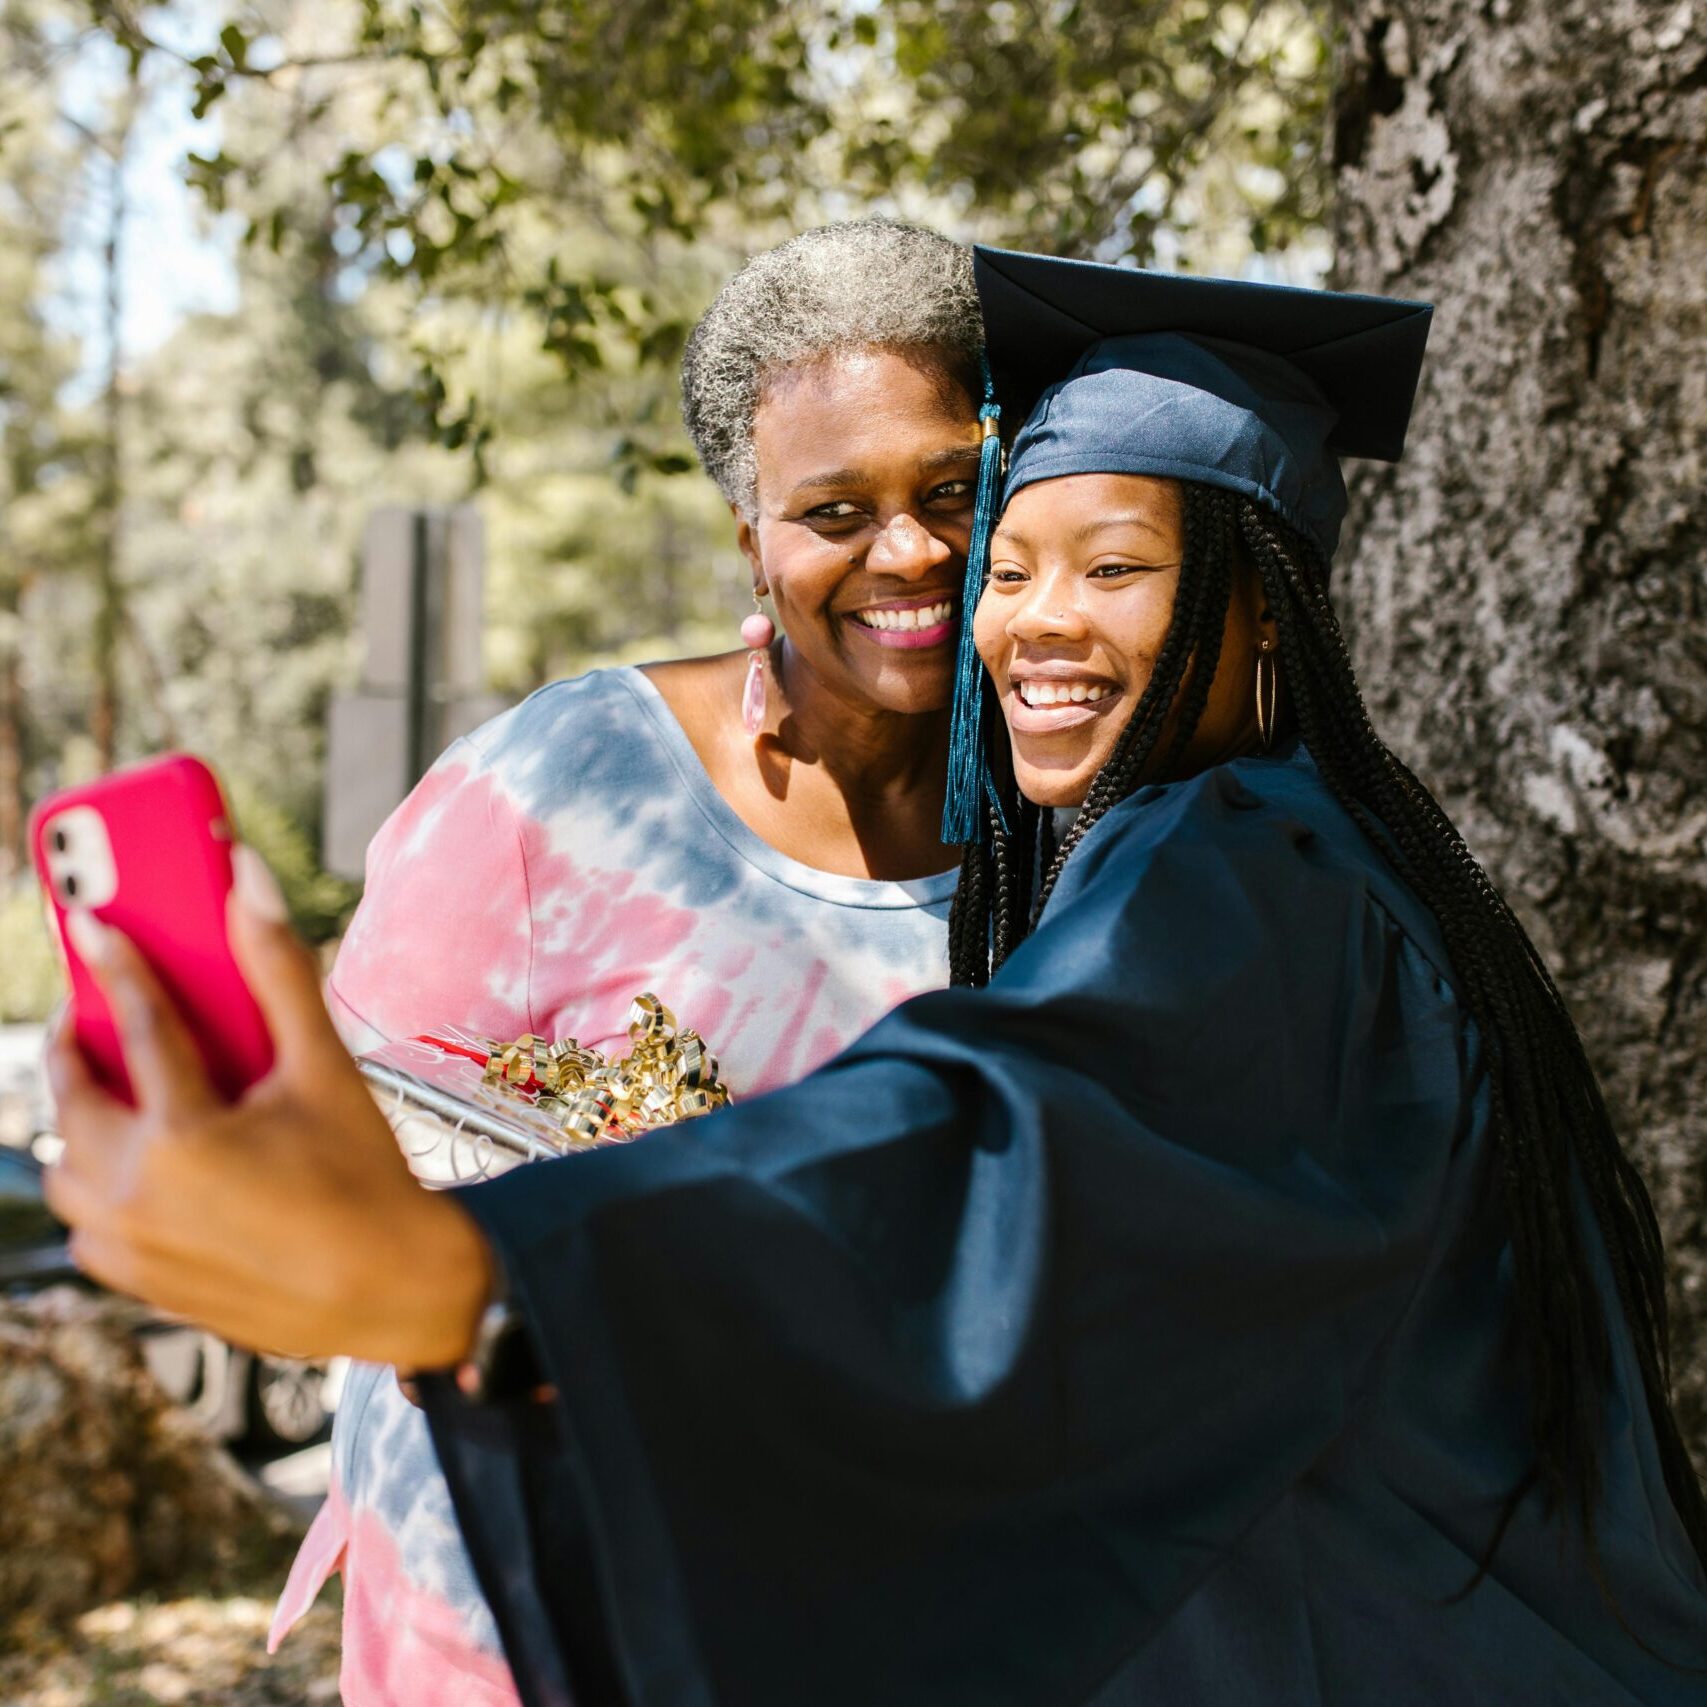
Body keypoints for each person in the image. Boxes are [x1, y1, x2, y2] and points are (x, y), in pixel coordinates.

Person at [44, 245, 1707, 1706]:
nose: (1024, 619)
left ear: (1266, 615)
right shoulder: (1272, 853)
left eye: (1113, 567)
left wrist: (480, 1283)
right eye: (1020, 565)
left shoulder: (1249, 878)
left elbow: (1022, 1153)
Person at [266, 217, 989, 1706]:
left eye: (951, 490)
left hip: (859, 1596)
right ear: (755, 537)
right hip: (522, 1582)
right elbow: (344, 1167)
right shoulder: (562, 789)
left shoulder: (1061, 824)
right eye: (835, 510)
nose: (907, 550)